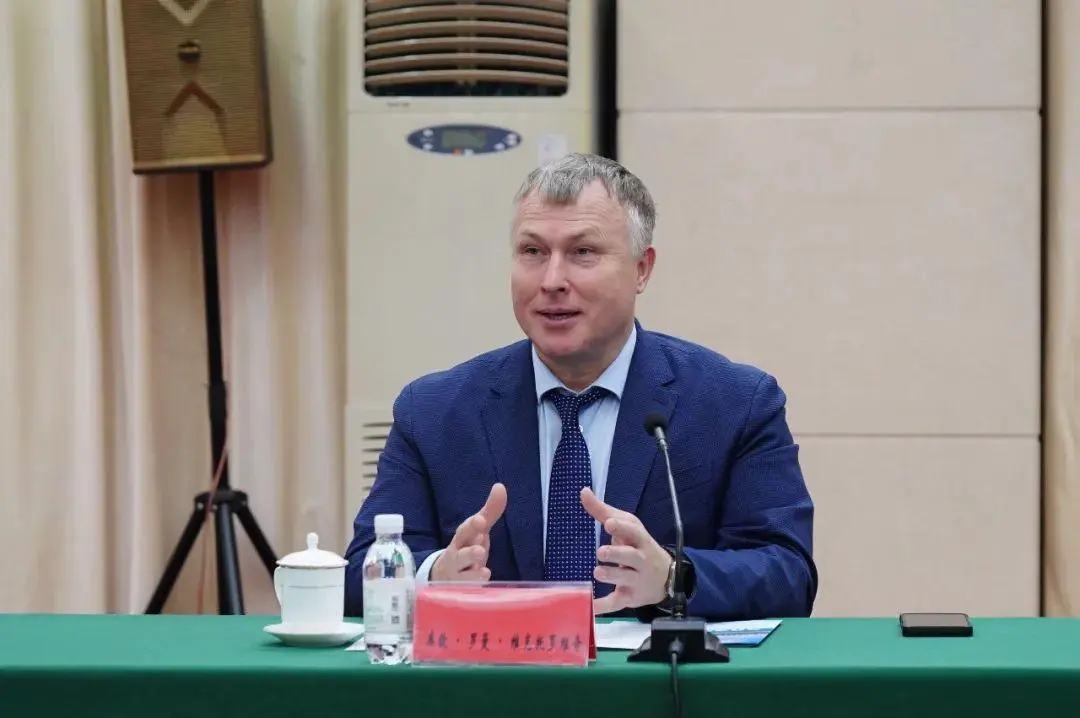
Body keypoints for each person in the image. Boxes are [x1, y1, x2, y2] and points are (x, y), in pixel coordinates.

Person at [343, 153, 817, 621]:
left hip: (654, 672)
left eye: (583, 252)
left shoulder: (735, 403)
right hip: (497, 671)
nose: (552, 280)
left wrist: (673, 577)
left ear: (642, 269)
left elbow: (788, 574)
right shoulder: (433, 411)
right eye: (533, 252)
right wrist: (433, 576)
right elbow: (358, 572)